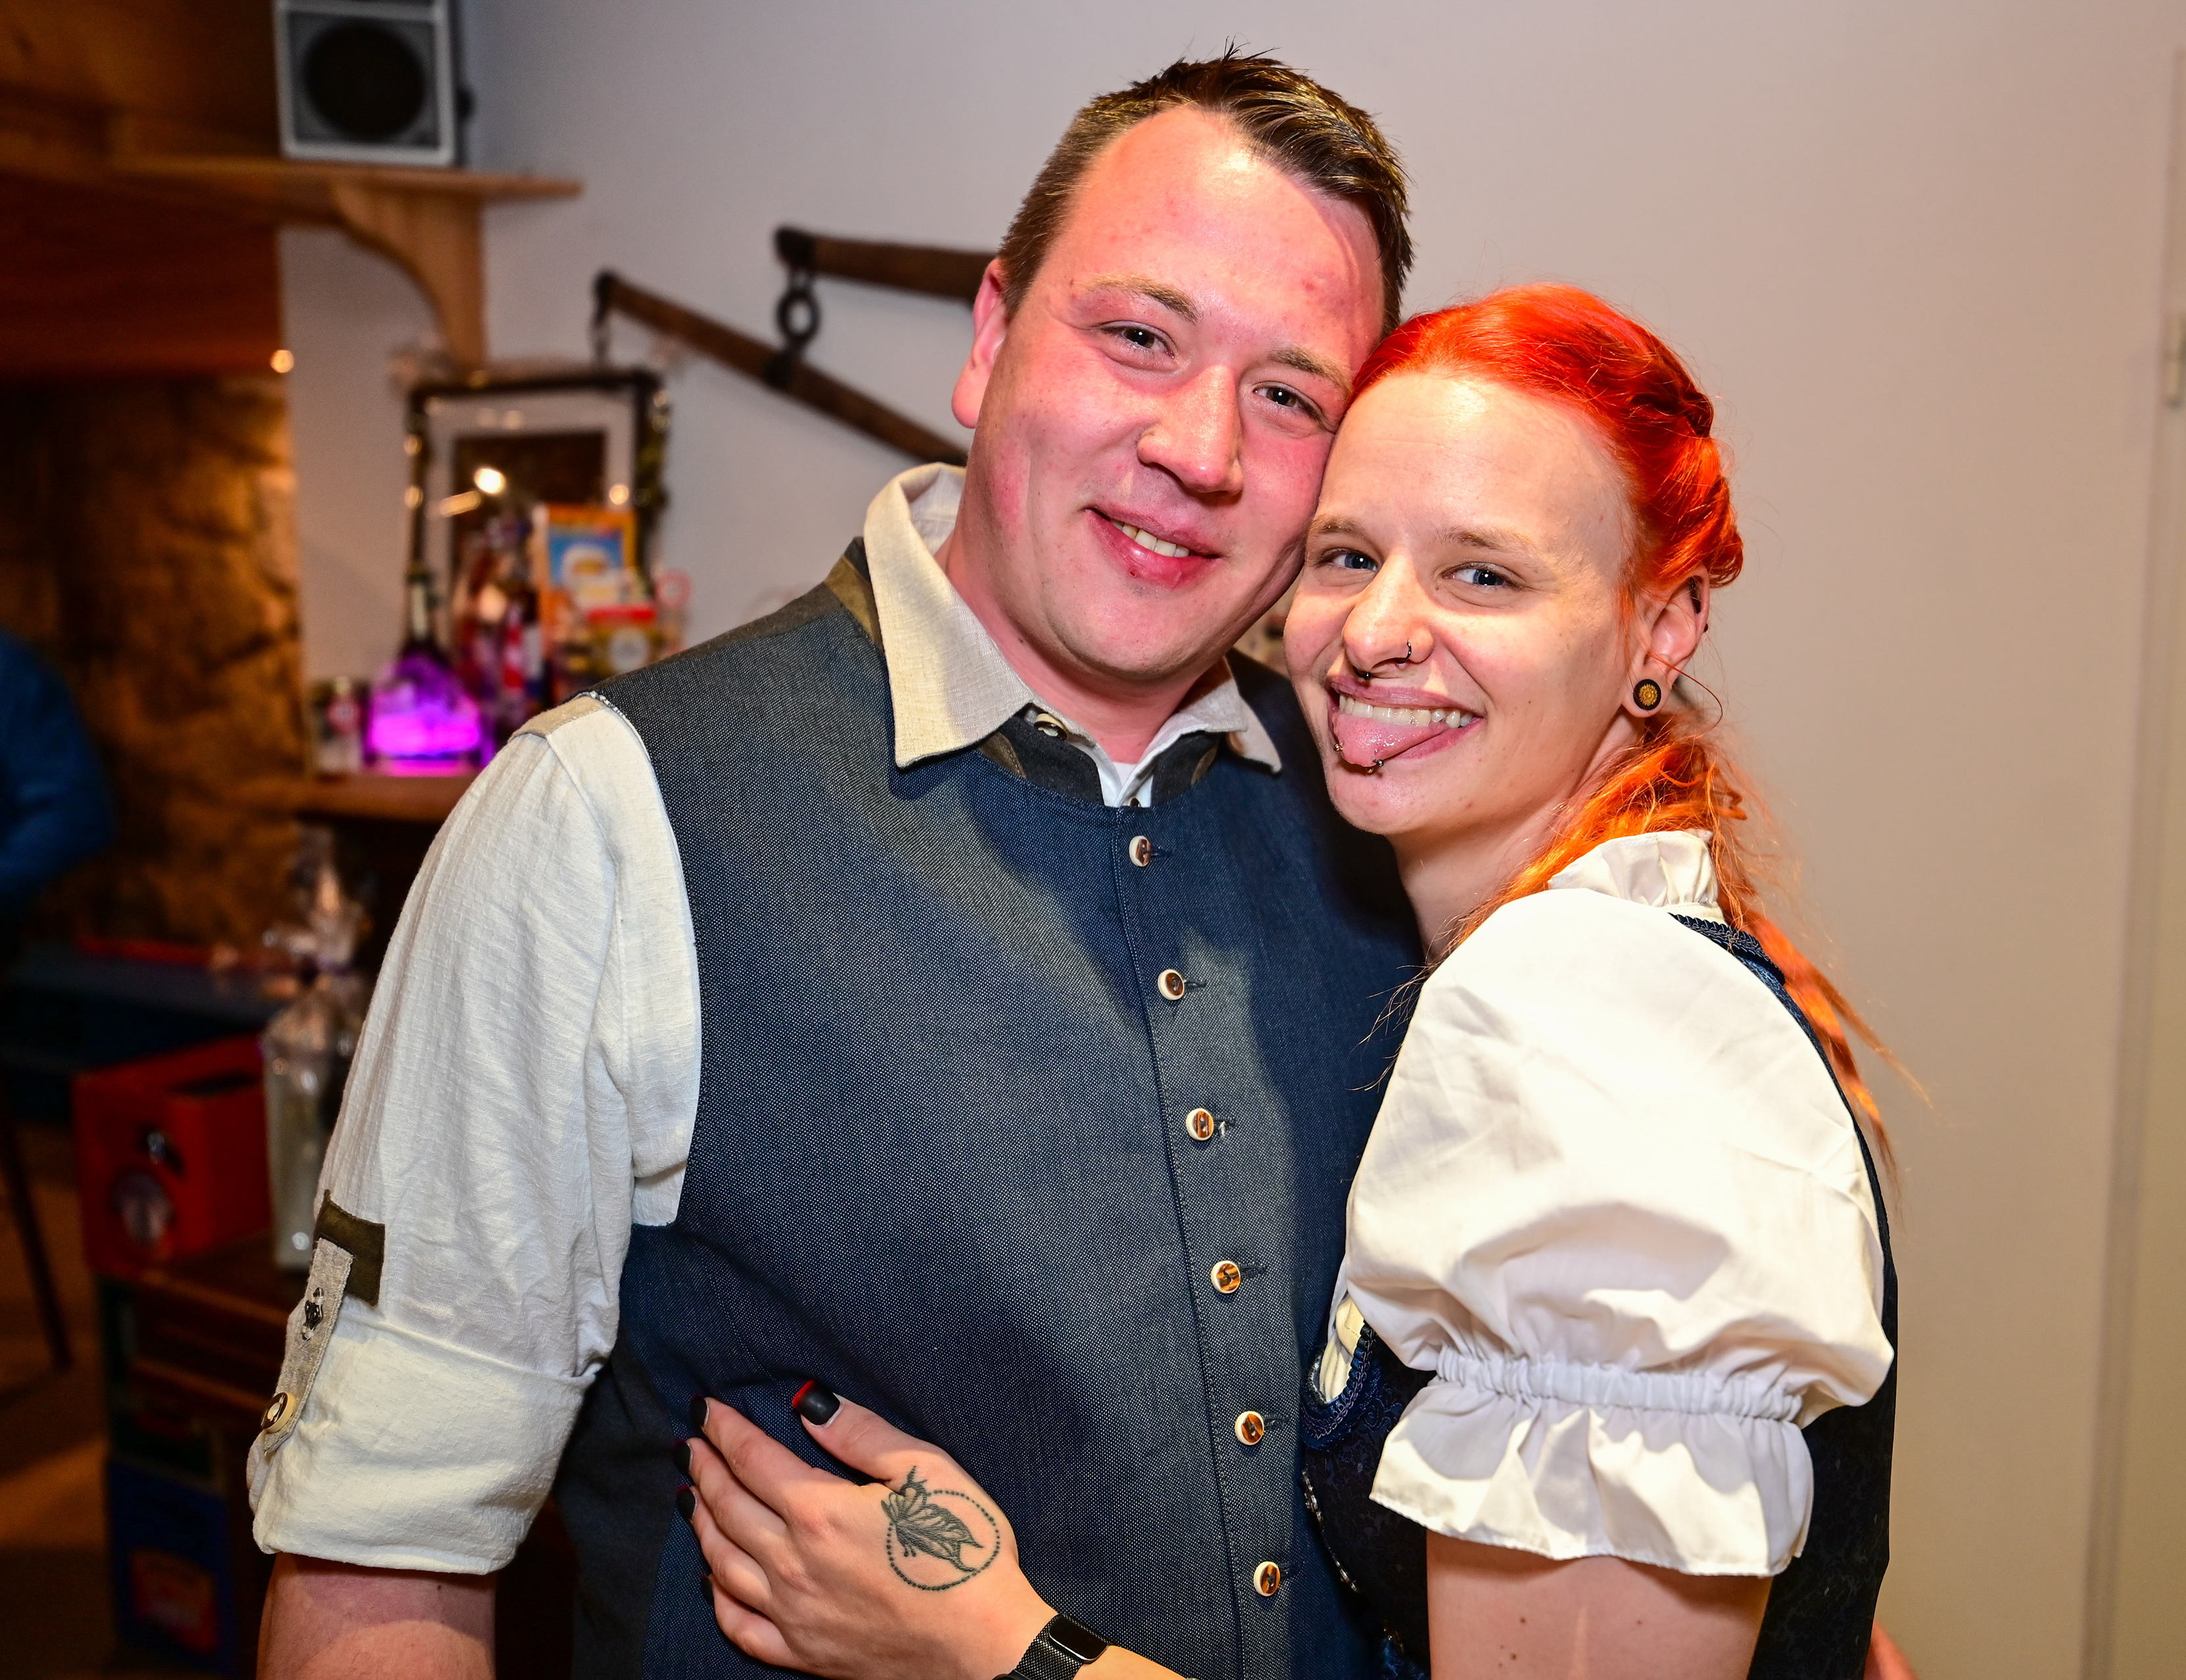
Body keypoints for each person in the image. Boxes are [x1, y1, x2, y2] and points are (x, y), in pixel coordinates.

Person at [250, 54, 1423, 1680]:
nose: (1202, 448)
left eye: (1291, 396)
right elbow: (385, 1562)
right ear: (991, 336)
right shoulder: (604, 819)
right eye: (1140, 337)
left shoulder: (1389, 810)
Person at [677, 287, 1903, 1680]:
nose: (1375, 631)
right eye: (1346, 554)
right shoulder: (1616, 953)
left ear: (1662, 626)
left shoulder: (1577, 1015)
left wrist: (1000, 1651)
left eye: (1482, 576)